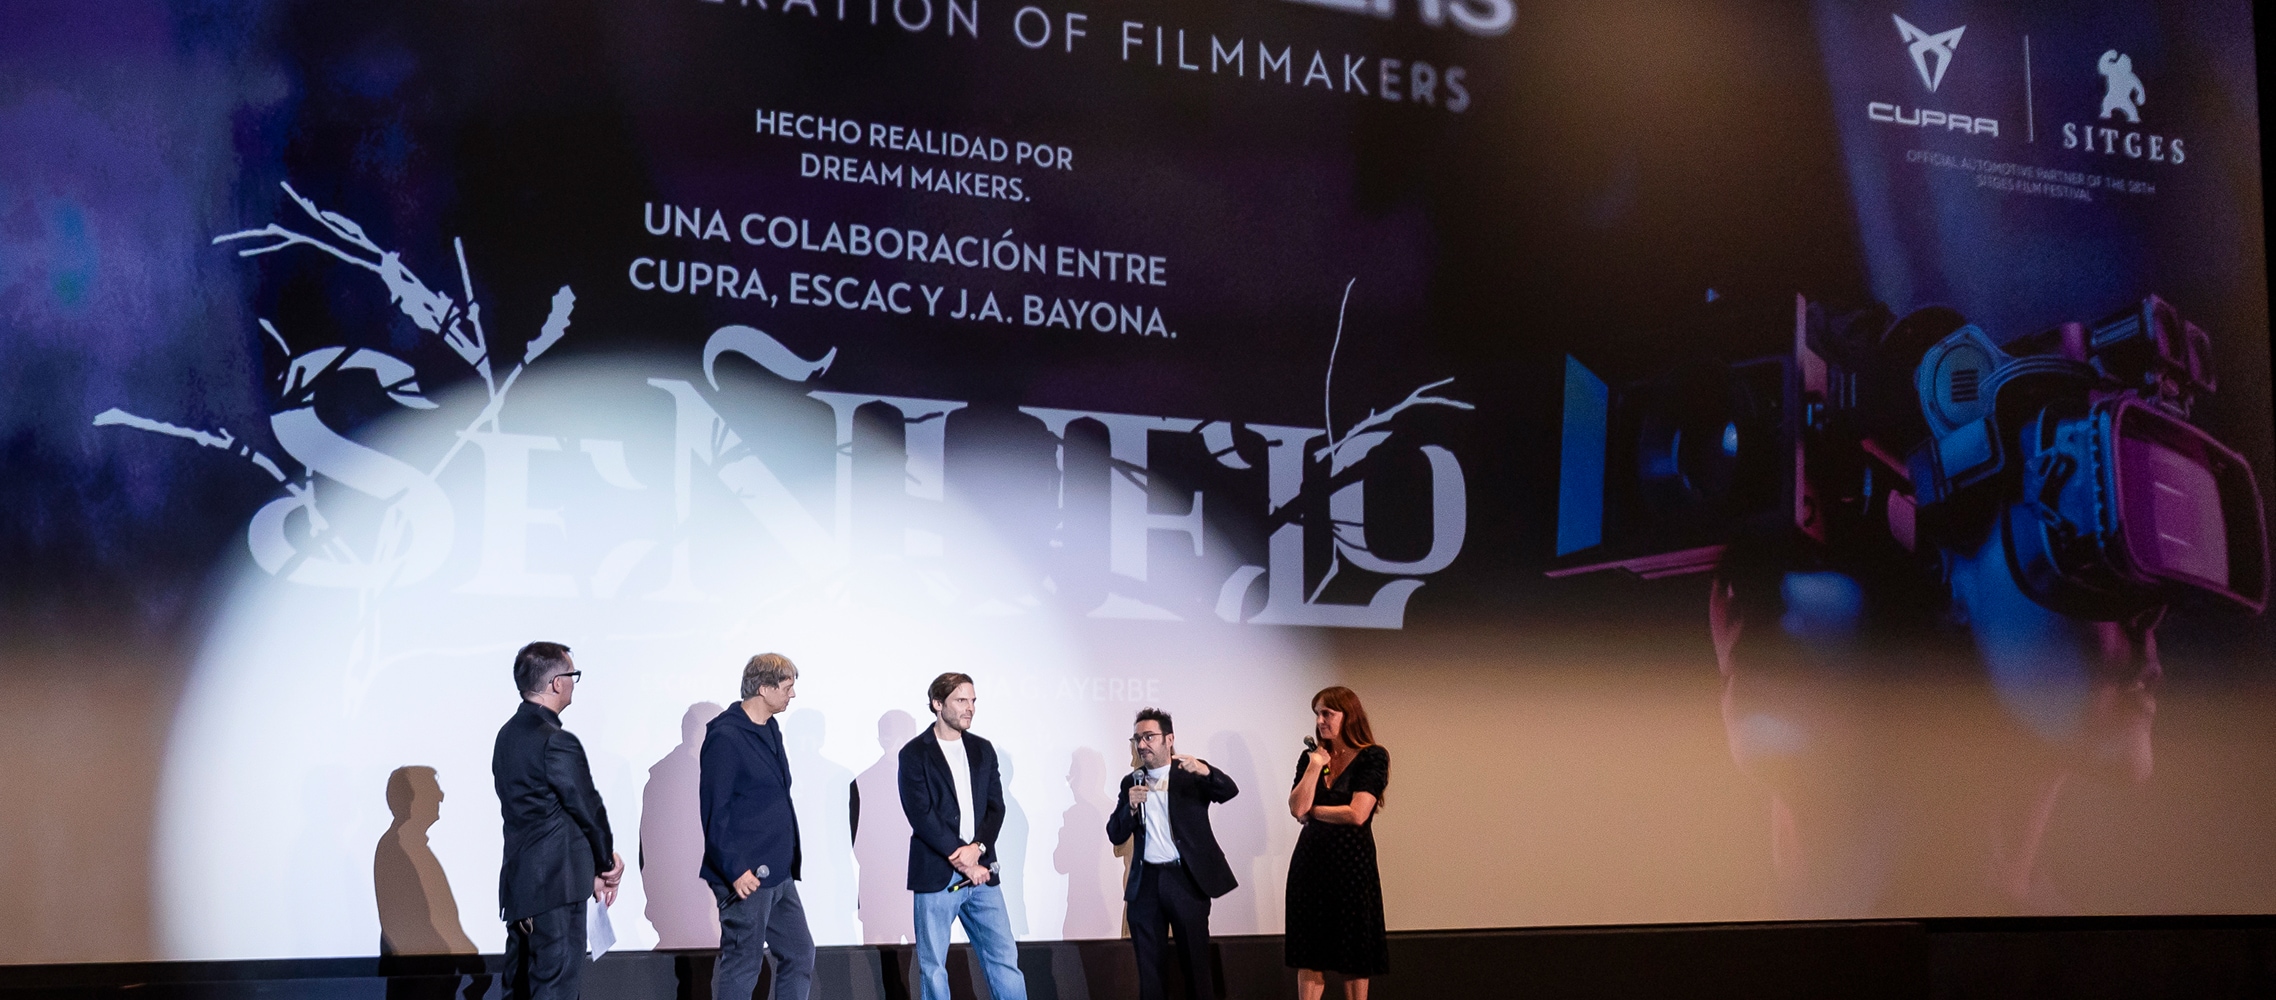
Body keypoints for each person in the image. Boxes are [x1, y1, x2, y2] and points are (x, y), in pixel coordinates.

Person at [493, 641, 624, 1000]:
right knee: (556, 989)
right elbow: (588, 808)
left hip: (521, 887)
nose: (573, 683)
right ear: (556, 683)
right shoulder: (555, 740)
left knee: (519, 990)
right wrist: (606, 863)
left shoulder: (506, 735)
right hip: (556, 889)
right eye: (572, 675)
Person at [897, 673, 1028, 1000]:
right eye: (961, 700)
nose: (970, 708)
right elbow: (921, 815)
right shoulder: (914, 753)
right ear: (937, 704)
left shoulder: (983, 749)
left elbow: (996, 807)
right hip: (937, 875)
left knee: (1004, 958)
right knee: (933, 967)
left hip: (983, 875)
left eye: (972, 701)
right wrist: (964, 859)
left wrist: (978, 848)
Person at [700, 653, 816, 1000]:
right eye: (787, 687)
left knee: (799, 952)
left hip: (777, 872)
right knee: (744, 964)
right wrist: (735, 869)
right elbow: (715, 811)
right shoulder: (725, 737)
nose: (792, 694)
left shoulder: (770, 727)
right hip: (746, 875)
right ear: (764, 688)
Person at [1106, 707, 1241, 1000]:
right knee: (1150, 973)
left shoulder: (1190, 774)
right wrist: (1130, 807)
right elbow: (1115, 833)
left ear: (1169, 739)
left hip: (1185, 881)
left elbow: (1229, 791)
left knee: (1196, 965)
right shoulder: (1131, 782)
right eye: (1137, 739)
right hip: (1146, 885)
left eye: (1149, 737)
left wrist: (1206, 771)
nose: (1142, 744)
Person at [1285, 686, 1388, 1000]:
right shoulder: (1311, 758)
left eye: (1327, 713)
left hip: (1352, 867)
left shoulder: (1372, 756)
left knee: (1354, 954)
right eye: (1317, 714)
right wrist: (1315, 765)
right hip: (1310, 865)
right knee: (1309, 953)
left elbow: (1357, 814)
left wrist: (1315, 811)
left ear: (1348, 716)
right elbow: (1296, 808)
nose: (1320, 721)